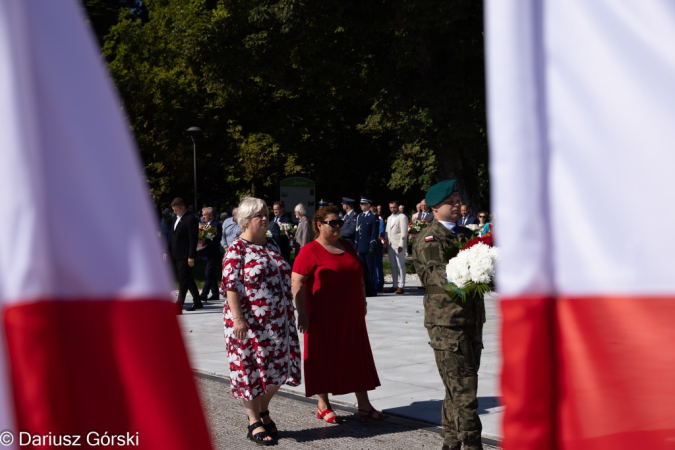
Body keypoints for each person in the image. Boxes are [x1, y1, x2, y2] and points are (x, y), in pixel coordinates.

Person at [291, 206, 385, 424]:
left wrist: (362, 302)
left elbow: (359, 277)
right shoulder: (310, 250)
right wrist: (302, 313)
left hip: (351, 314)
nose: (337, 226)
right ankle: (322, 404)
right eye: (332, 222)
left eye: (339, 222)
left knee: (357, 356)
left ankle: (364, 405)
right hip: (322, 315)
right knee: (322, 357)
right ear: (319, 225)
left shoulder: (348, 246)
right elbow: (297, 281)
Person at [221, 197, 302, 446]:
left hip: (278, 322)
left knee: (277, 370)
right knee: (251, 371)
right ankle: (254, 419)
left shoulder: (272, 244)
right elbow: (230, 287)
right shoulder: (237, 250)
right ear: (245, 221)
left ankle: (263, 409)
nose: (265, 218)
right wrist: (238, 319)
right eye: (259, 215)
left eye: (266, 214)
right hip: (249, 324)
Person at [411, 180, 485, 450]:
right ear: (434, 207)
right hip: (447, 323)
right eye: (450, 201)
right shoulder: (430, 238)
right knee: (466, 391)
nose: (456, 204)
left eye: (457, 200)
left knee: (457, 388)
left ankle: (451, 443)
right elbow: (440, 275)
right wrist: (477, 271)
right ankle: (471, 444)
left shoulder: (467, 234)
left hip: (472, 319)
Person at [164, 197, 203, 312]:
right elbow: (172, 236)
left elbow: (193, 239)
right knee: (187, 278)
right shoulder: (176, 219)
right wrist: (167, 250)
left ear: (182, 207)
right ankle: (197, 301)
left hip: (185, 254)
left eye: (176, 209)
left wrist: (191, 256)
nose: (174, 212)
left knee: (183, 279)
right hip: (177, 253)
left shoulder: (190, 219)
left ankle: (179, 304)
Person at [355, 197, 378, 297]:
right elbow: (357, 233)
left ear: (368, 205)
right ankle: (364, 289)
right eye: (360, 204)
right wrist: (356, 246)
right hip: (361, 246)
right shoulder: (359, 216)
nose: (361, 206)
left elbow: (374, 232)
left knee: (370, 269)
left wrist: (372, 246)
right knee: (362, 269)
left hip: (368, 247)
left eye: (363, 204)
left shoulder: (373, 216)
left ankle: (371, 290)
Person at [198, 207, 223, 301]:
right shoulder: (204, 225)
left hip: (212, 253)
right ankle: (215, 293)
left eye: (205, 214)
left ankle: (204, 293)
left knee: (208, 273)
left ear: (211, 215)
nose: (203, 216)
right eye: (202, 215)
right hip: (204, 252)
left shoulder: (216, 224)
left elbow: (217, 238)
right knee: (211, 273)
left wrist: (207, 240)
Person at [385, 200, 409, 294]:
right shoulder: (389, 217)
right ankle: (394, 285)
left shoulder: (402, 217)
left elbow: (404, 232)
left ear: (398, 206)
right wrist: (385, 243)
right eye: (391, 207)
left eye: (394, 207)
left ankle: (401, 285)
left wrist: (401, 245)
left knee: (400, 265)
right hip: (390, 244)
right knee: (393, 265)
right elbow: (387, 231)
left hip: (398, 244)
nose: (392, 209)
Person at [371, 205, 385, 293]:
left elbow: (381, 232)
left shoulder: (380, 220)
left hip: (378, 244)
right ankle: (374, 282)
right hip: (371, 244)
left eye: (372, 212)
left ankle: (380, 283)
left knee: (378, 264)